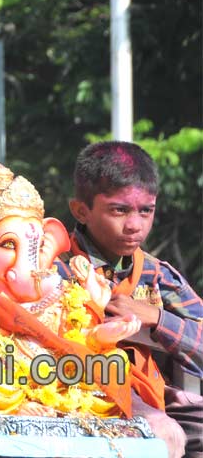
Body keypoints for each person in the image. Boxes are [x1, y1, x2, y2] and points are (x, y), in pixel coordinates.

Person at [58, 141, 202, 457]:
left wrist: (157, 319)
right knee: (162, 434)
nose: (135, 225)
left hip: (154, 397)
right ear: (81, 210)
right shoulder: (53, 267)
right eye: (119, 210)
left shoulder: (157, 274)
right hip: (70, 394)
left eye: (145, 210)